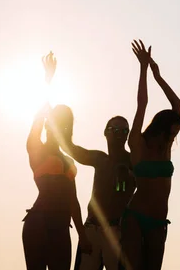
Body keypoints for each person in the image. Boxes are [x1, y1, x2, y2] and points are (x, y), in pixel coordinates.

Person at [23, 52, 91, 270]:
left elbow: (74, 200)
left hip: (62, 226)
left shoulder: (68, 160)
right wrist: (47, 81)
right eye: (57, 123)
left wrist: (82, 235)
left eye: (65, 125)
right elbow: (39, 114)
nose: (60, 128)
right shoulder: (37, 148)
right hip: (39, 222)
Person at [119, 40, 180, 270]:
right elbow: (142, 104)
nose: (174, 136)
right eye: (173, 131)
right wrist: (143, 69)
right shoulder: (137, 142)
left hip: (158, 221)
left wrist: (158, 76)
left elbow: (177, 103)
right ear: (163, 127)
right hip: (135, 217)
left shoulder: (166, 146)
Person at [61, 115, 135, 270]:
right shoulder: (99, 158)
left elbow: (149, 184)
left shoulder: (133, 161)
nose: (119, 134)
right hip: (92, 229)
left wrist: (129, 176)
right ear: (105, 133)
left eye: (124, 130)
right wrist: (62, 122)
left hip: (117, 231)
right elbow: (69, 147)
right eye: (114, 130)